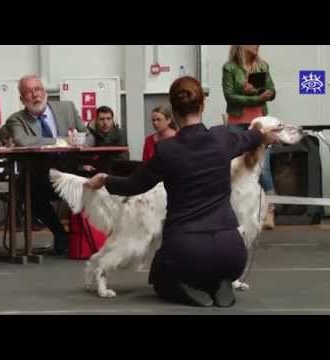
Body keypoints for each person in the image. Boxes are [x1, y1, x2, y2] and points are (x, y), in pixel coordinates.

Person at [85, 76, 280, 307]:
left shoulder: (166, 151)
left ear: (173, 112)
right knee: (215, 263)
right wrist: (267, 135)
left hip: (188, 250)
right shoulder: (223, 137)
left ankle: (184, 288)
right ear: (203, 105)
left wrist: (104, 179)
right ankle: (219, 283)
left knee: (160, 273)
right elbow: (256, 135)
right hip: (233, 254)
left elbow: (134, 185)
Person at [3, 74, 88, 255]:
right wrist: (61, 141)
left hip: (71, 171)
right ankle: (60, 233)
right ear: (21, 99)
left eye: (38, 89)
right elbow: (23, 141)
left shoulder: (68, 108)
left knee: (92, 183)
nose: (35, 95)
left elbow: (89, 135)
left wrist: (81, 140)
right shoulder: (16, 119)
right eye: (29, 92)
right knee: (28, 191)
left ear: (45, 92)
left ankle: (85, 236)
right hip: (40, 177)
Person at [222, 45, 277, 229]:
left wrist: (268, 93)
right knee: (235, 165)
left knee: (264, 168)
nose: (256, 46)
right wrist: (255, 96)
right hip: (236, 122)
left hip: (260, 121)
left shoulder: (263, 66)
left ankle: (270, 210)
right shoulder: (229, 68)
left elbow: (272, 90)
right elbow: (230, 97)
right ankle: (234, 209)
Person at [83, 105, 128, 174]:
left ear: (113, 120)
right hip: (92, 171)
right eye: (101, 119)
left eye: (108, 119)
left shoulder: (119, 134)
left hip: (113, 172)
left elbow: (122, 159)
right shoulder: (89, 133)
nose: (105, 123)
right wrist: (84, 165)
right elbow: (83, 156)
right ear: (96, 121)